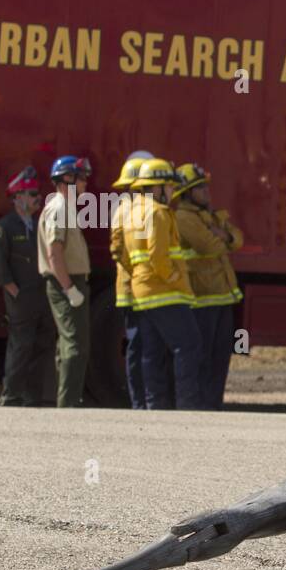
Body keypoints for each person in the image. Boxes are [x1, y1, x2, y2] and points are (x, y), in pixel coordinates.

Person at [125, 158, 205, 410]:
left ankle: (154, 405)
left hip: (143, 291)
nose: (172, 192)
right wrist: (174, 279)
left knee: (152, 351)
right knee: (189, 344)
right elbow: (158, 256)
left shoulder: (132, 211)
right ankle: (187, 404)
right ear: (157, 187)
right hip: (165, 291)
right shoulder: (158, 212)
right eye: (169, 187)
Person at [174, 163, 244, 410]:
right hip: (201, 298)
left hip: (222, 297)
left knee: (220, 357)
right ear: (186, 193)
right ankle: (201, 406)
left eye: (205, 187)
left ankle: (213, 405)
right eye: (199, 188)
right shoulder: (184, 217)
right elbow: (210, 246)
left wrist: (223, 235)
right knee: (202, 358)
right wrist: (223, 236)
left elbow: (238, 238)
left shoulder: (210, 215)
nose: (206, 192)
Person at [0, 166, 55, 406]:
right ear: (17, 198)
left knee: (43, 344)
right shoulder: (4, 227)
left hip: (42, 295)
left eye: (37, 193)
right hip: (21, 297)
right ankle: (12, 394)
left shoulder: (39, 225)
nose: (37, 198)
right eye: (31, 193)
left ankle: (32, 395)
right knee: (21, 346)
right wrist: (13, 290)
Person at [38, 155, 92, 408]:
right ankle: (69, 405)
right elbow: (54, 252)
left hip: (69, 282)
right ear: (66, 180)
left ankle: (67, 401)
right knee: (75, 345)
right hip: (66, 283)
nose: (85, 185)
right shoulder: (59, 208)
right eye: (81, 179)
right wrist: (69, 288)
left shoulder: (66, 207)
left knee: (70, 344)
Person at [110, 153, 153, 410]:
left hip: (136, 287)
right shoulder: (127, 210)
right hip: (132, 290)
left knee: (142, 345)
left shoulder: (131, 208)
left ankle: (142, 400)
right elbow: (119, 250)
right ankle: (139, 401)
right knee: (138, 346)